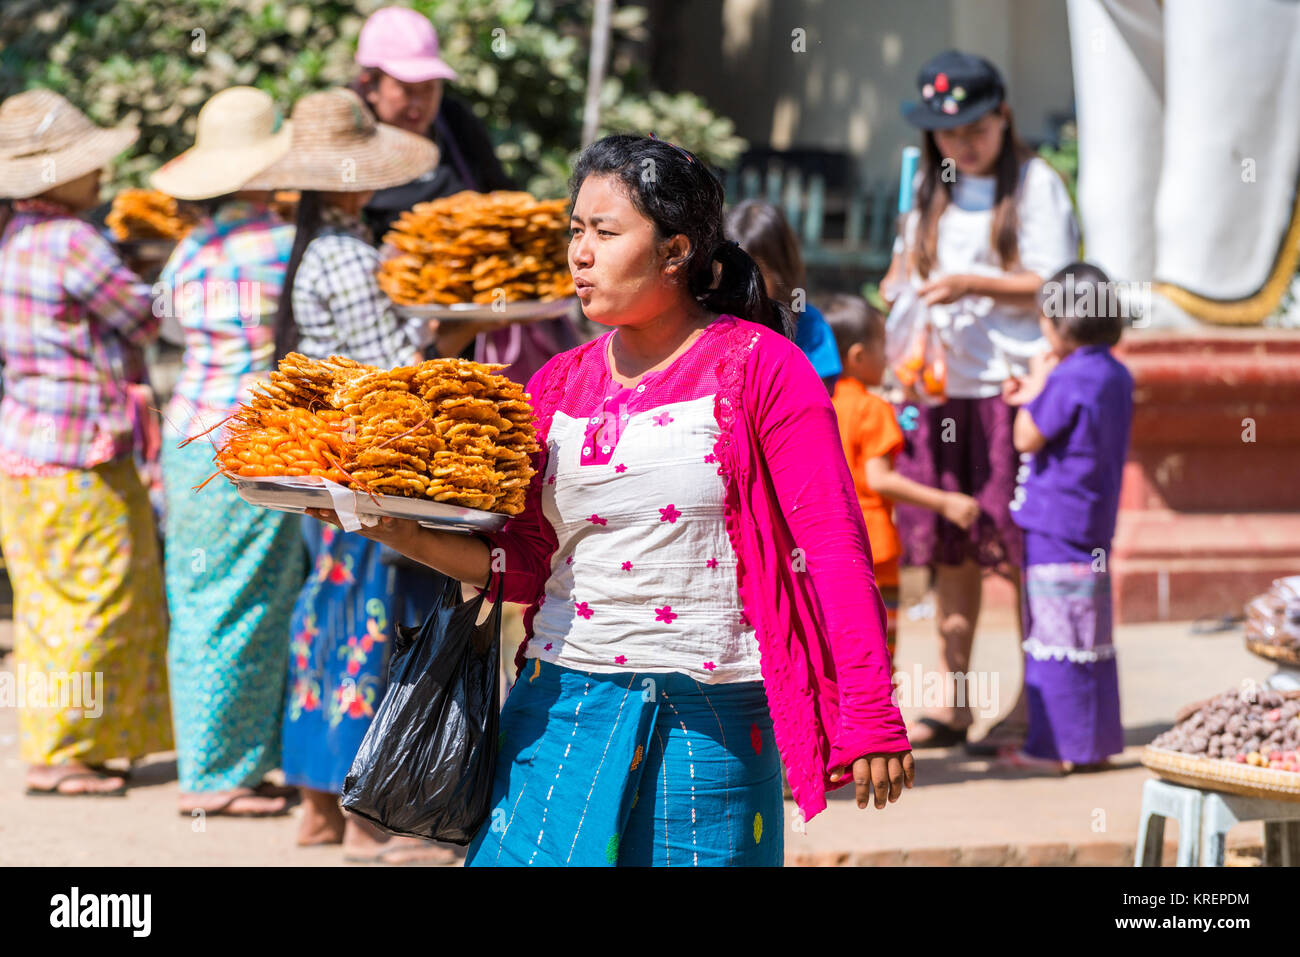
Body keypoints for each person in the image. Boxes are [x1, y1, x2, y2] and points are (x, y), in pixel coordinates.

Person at [307, 133, 914, 867]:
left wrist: (871, 711)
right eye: (574, 231)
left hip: (712, 726)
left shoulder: (763, 370)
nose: (580, 253)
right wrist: (387, 522)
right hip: (556, 710)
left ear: (675, 251)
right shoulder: (555, 386)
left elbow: (833, 546)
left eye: (605, 231)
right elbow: (522, 563)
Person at [253, 87, 456, 864]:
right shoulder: (353, 256)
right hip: (369, 467)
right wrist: (448, 329)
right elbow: (389, 378)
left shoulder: (307, 248)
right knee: (374, 624)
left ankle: (316, 806)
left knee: (328, 618)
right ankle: (370, 818)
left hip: (318, 467)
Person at [881, 50, 1079, 749]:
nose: (962, 142)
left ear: (1003, 116)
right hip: (941, 395)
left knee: (1020, 547)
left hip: (1014, 391)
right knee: (951, 550)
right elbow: (904, 271)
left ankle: (1036, 699)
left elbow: (1059, 281)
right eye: (947, 131)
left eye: (975, 126)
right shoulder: (927, 192)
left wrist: (972, 283)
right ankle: (955, 699)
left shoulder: (1036, 185)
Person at [0, 89, 171, 795]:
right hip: (84, 452)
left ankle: (61, 744)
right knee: (101, 597)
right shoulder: (75, 240)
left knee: (45, 601)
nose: (99, 175)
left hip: (22, 448)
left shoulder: (11, 238)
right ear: (53, 175)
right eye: (86, 164)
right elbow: (141, 319)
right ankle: (70, 751)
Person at [151, 86, 305, 816]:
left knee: (198, 598)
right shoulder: (286, 245)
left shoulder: (190, 249)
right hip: (254, 442)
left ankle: (212, 760)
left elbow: (176, 331)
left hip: (187, 436)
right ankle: (219, 776)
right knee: (250, 601)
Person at [350, 5, 579, 387]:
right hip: (392, 343)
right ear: (369, 85)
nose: (419, 103)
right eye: (406, 90)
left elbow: (502, 198)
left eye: (429, 89)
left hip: (478, 328)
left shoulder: (455, 124)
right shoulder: (348, 141)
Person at [999, 262, 1132, 771]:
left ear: (1062, 324)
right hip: (1094, 525)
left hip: (1055, 526)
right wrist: (1039, 393)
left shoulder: (1068, 373)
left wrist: (1038, 380)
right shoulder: (1115, 373)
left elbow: (1026, 437)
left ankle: (1052, 749)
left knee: (1054, 639)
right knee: (1090, 638)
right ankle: (1094, 744)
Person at [822, 293, 980, 668]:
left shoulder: (815, 400)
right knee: (878, 655)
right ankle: (878, 724)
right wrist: (946, 502)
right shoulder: (872, 408)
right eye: (884, 346)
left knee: (834, 657)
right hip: (872, 549)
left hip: (824, 549)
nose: (890, 356)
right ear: (859, 356)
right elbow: (880, 480)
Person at [725, 199, 842, 393]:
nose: (742, 286)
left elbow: (819, 396)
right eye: (732, 273)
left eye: (755, 274)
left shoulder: (808, 324)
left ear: (781, 271)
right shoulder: (713, 322)